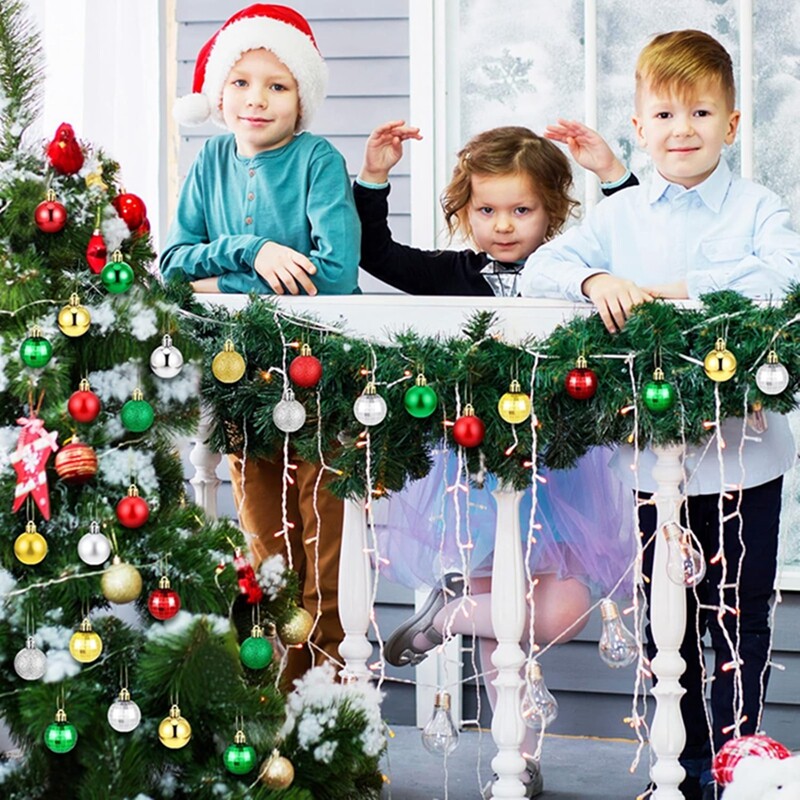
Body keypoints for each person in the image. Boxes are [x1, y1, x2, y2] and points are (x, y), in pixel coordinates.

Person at [520, 30, 800, 800]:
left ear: (733, 126)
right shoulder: (621, 216)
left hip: (744, 462)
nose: (684, 130)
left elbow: (782, 278)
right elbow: (543, 265)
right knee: (661, 627)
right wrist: (600, 279)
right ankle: (678, 773)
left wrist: (674, 289)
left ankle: (736, 775)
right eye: (666, 115)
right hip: (644, 468)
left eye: (702, 112)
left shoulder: (757, 207)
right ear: (639, 129)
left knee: (738, 627)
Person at [356, 120, 638, 797]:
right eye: (486, 210)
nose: (504, 225)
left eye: (522, 209)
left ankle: (446, 615)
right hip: (479, 473)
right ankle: (521, 753)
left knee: (556, 612)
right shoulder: (451, 274)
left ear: (553, 211)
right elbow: (375, 252)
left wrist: (614, 173)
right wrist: (374, 177)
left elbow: (634, 239)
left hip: (564, 473)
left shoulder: (574, 270)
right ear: (464, 211)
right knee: (505, 629)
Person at [160, 4, 360, 688]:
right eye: (242, 82)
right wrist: (254, 249)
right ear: (219, 94)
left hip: (321, 372)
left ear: (301, 97)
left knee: (323, 539)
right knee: (263, 542)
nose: (257, 99)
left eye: (277, 84)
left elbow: (333, 275)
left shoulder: (318, 161)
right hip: (241, 375)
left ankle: (326, 694)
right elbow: (172, 261)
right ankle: (270, 696)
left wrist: (229, 275)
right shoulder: (209, 159)